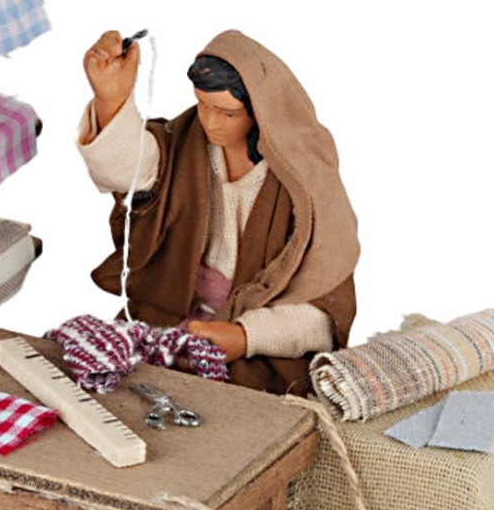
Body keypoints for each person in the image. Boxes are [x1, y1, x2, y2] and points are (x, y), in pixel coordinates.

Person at [79, 29, 359, 393]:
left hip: (255, 352)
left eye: (228, 113)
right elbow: (132, 173)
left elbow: (323, 309)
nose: (210, 123)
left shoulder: (306, 182)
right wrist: (111, 100)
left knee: (235, 413)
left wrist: (245, 336)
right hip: (169, 324)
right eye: (203, 105)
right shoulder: (186, 144)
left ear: (261, 110)